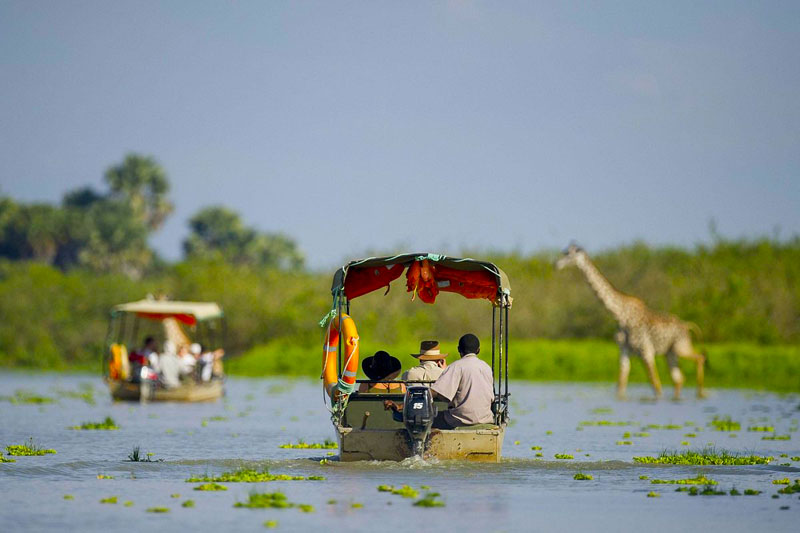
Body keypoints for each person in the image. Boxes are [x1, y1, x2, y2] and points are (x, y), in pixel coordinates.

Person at [429, 333, 494, 429]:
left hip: (458, 420)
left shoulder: (456, 366)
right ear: (478, 350)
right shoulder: (486, 367)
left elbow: (437, 392)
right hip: (486, 418)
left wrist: (423, 394)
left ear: (459, 349)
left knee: (425, 418)